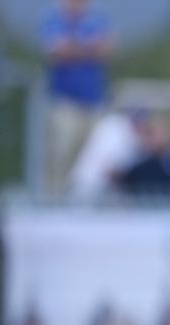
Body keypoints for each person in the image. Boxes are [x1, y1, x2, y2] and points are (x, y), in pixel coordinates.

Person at [40, 0, 112, 193]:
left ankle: (83, 198)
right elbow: (55, 51)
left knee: (92, 156)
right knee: (60, 154)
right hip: (65, 100)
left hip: (94, 99)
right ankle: (53, 199)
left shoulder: (96, 19)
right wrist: (88, 49)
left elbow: (106, 49)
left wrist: (73, 48)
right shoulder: (54, 20)